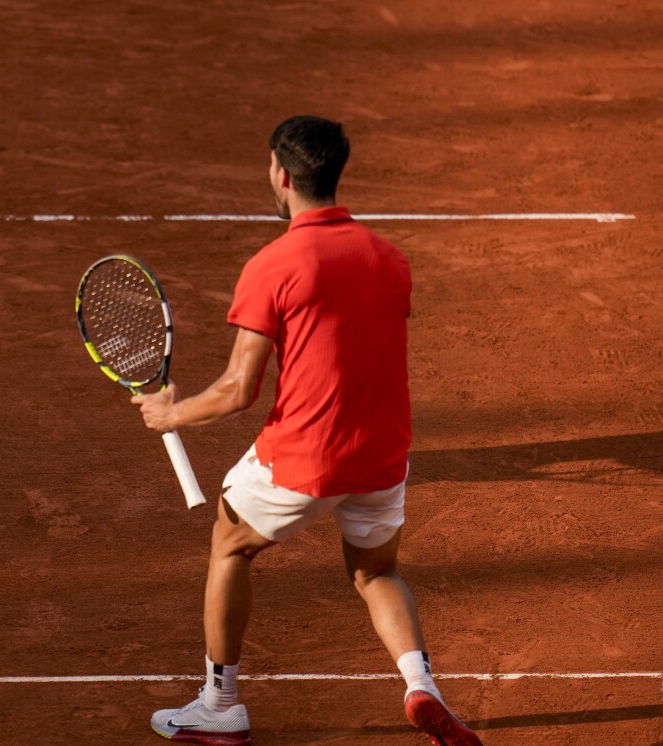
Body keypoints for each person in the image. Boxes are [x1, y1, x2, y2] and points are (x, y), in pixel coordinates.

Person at [133, 116, 482, 745]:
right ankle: (421, 686)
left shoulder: (274, 264)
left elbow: (239, 391)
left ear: (282, 175)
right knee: (376, 571)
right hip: (381, 454)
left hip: (307, 456)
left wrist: (170, 414)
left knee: (230, 541)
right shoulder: (389, 258)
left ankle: (220, 705)